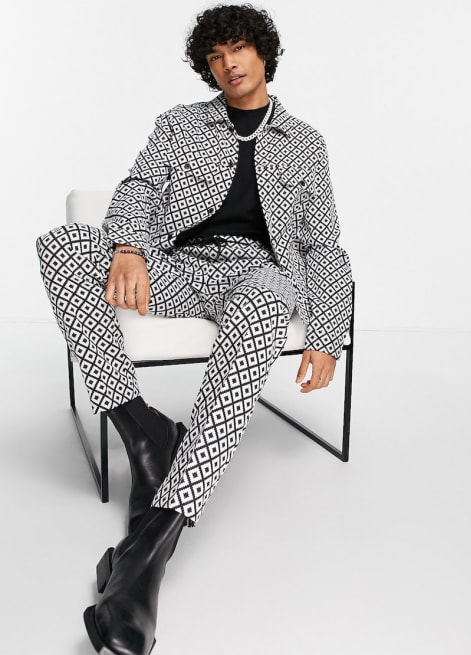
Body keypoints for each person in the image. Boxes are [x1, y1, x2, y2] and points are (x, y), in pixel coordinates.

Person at [36, 4, 352, 654]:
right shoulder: (180, 124)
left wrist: (326, 334)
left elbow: (323, 246)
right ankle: (145, 432)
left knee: (262, 307)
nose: (229, 63)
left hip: (258, 275)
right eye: (215, 56)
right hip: (178, 267)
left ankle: (143, 559)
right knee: (61, 244)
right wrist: (127, 247)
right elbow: (138, 186)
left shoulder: (306, 143)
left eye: (239, 49)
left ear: (263, 54)